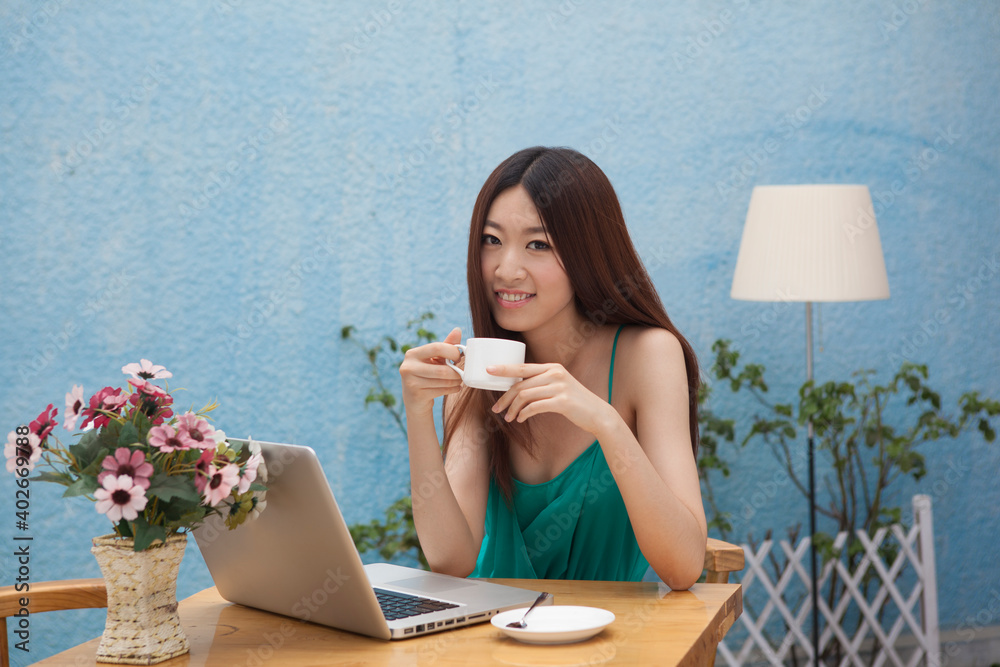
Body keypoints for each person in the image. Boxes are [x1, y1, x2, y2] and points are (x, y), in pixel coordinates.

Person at [400, 147, 706, 589]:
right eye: (492, 240)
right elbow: (451, 559)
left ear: (588, 252)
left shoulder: (648, 355)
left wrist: (605, 421)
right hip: (492, 640)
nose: (506, 269)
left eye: (537, 244)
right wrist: (417, 413)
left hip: (610, 640)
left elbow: (682, 567)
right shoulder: (480, 374)